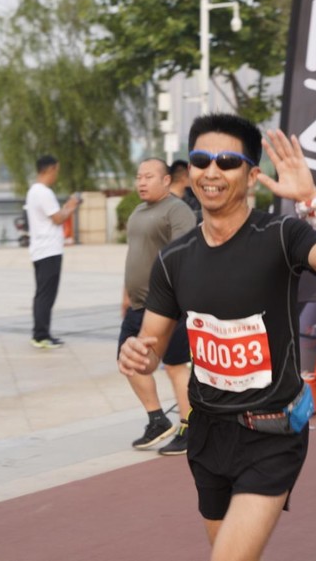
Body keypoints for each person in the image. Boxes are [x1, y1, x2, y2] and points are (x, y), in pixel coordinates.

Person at [118, 113, 316, 560]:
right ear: (190, 171)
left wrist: (314, 201)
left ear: (252, 175)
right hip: (207, 435)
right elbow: (152, 343)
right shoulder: (174, 259)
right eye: (201, 160)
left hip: (271, 433)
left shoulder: (282, 235)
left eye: (227, 162)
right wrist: (137, 353)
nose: (211, 172)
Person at [120, 158, 197, 455]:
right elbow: (134, 255)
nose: (141, 182)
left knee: (175, 366)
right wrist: (125, 294)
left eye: (148, 176)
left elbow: (184, 254)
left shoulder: (177, 210)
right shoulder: (138, 212)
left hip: (168, 307)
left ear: (166, 180)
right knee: (129, 362)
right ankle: (157, 420)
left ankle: (189, 428)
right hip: (137, 304)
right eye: (139, 177)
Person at [25, 155, 81, 349]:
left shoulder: (34, 191)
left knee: (43, 293)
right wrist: (71, 208)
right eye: (57, 170)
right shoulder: (44, 192)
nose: (57, 174)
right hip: (48, 250)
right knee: (46, 295)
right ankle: (41, 335)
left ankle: (41, 333)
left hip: (41, 249)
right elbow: (58, 219)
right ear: (50, 169)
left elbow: (54, 215)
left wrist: (65, 208)